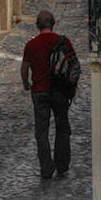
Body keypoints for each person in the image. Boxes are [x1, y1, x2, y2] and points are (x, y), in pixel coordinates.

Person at [20, 9, 74, 180]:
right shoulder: (62, 41)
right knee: (62, 127)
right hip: (59, 91)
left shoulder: (31, 45)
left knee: (41, 131)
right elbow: (72, 64)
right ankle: (62, 164)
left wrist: (26, 83)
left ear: (37, 26)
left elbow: (24, 68)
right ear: (53, 24)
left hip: (40, 91)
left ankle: (46, 167)